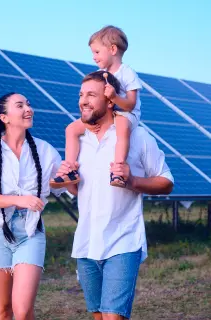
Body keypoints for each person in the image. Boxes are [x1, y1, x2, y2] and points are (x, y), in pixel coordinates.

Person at [55, 71, 174, 320]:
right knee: (98, 316)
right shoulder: (78, 140)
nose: (82, 101)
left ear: (110, 100)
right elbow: (78, 190)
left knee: (113, 317)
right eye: (81, 95)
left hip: (123, 240)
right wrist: (69, 181)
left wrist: (132, 181)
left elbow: (166, 182)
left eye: (91, 95)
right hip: (87, 242)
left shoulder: (138, 137)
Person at [0, 92, 65, 320]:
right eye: (20, 105)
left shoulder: (45, 150)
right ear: (4, 117)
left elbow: (63, 186)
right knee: (2, 310)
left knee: (22, 310)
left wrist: (72, 176)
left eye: (28, 104)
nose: (28, 109)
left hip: (30, 231)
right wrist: (18, 199)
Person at [53, 25, 142, 188]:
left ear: (113, 49)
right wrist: (87, 121)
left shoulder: (127, 73)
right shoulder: (99, 74)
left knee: (121, 125)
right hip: (106, 116)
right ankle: (70, 169)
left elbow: (131, 104)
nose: (94, 57)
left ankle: (118, 170)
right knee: (71, 129)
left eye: (97, 52)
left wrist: (115, 97)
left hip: (126, 114)